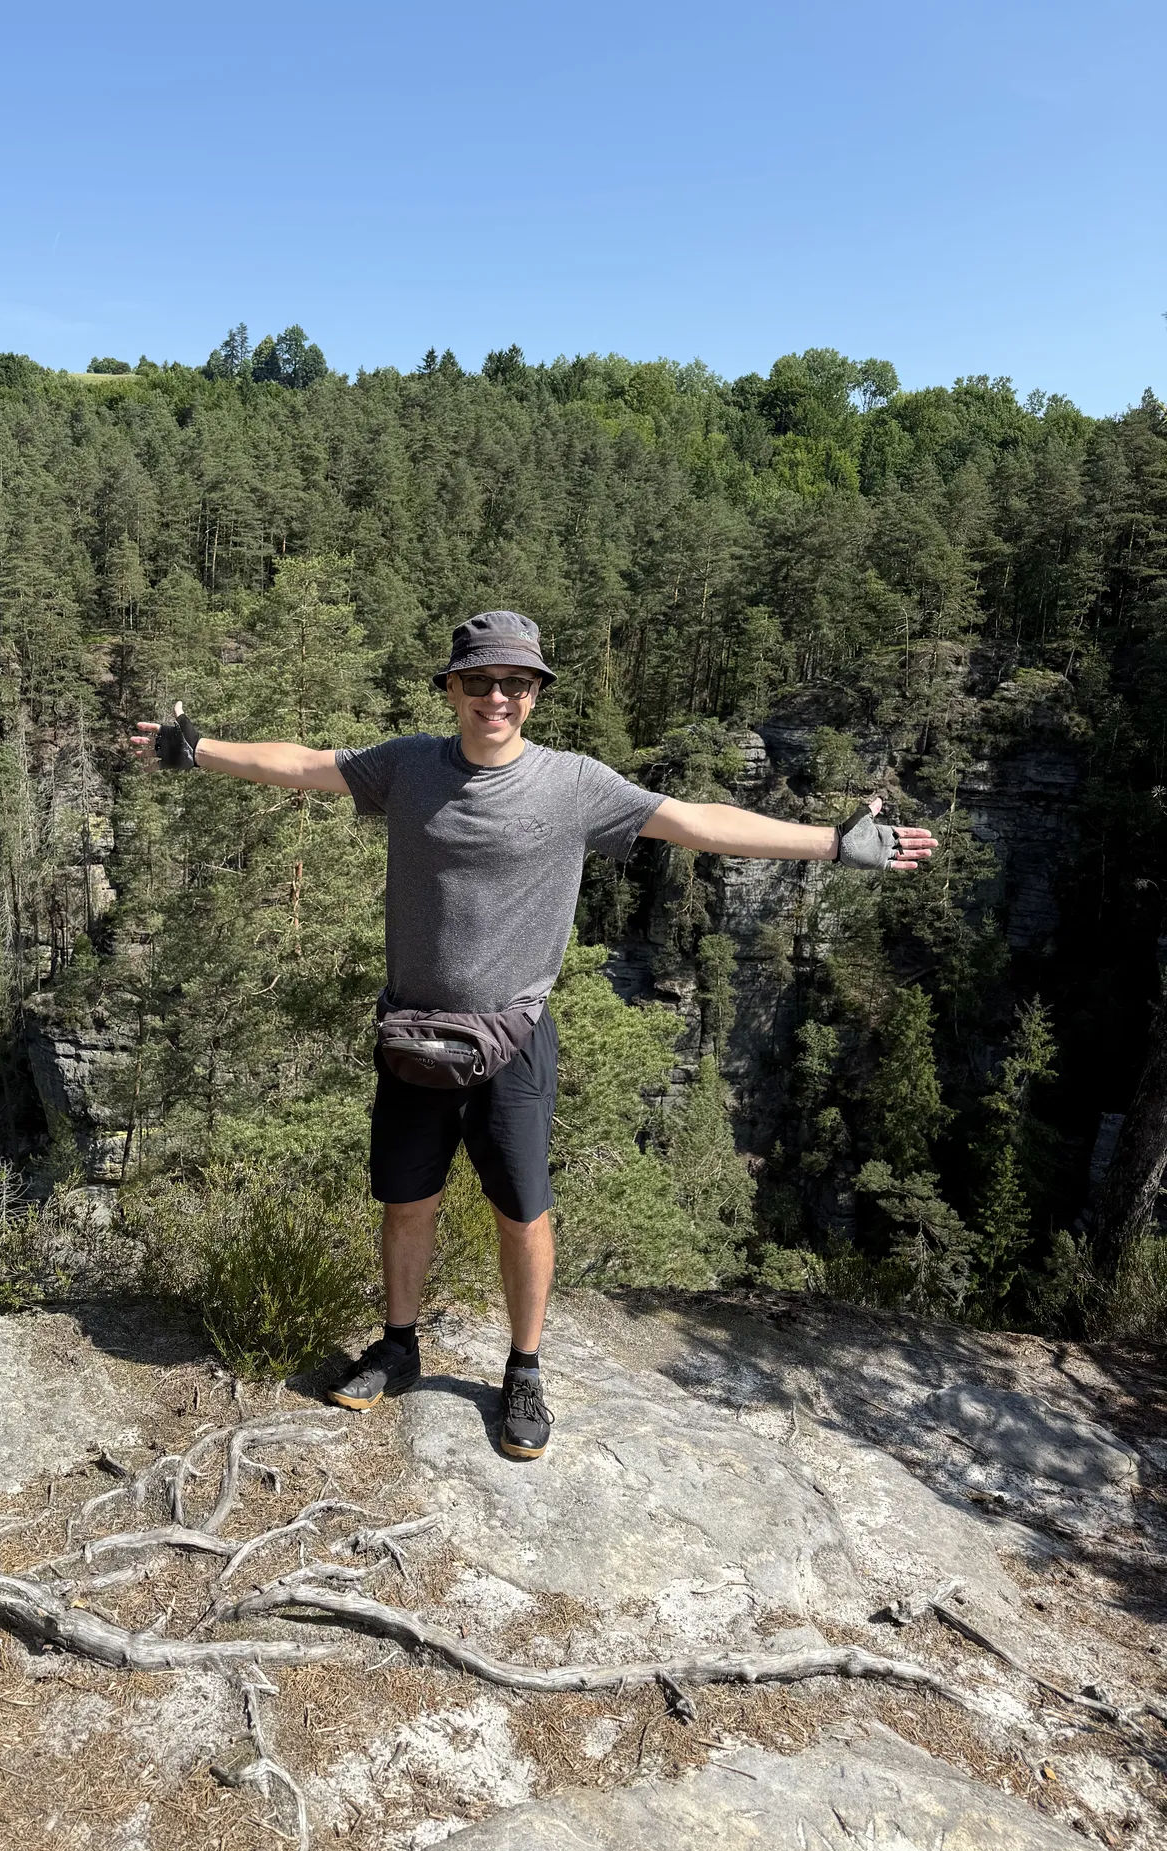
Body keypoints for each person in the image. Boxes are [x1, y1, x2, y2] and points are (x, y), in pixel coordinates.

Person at [131, 609, 936, 1460]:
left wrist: (833, 844)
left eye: (515, 683)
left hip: (513, 1040)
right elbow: (303, 764)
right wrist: (198, 749)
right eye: (479, 681)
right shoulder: (407, 766)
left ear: (536, 695)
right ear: (452, 689)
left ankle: (523, 1370)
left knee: (521, 1213)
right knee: (407, 1203)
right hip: (413, 1035)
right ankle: (398, 1347)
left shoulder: (574, 785)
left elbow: (698, 821)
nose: (497, 697)